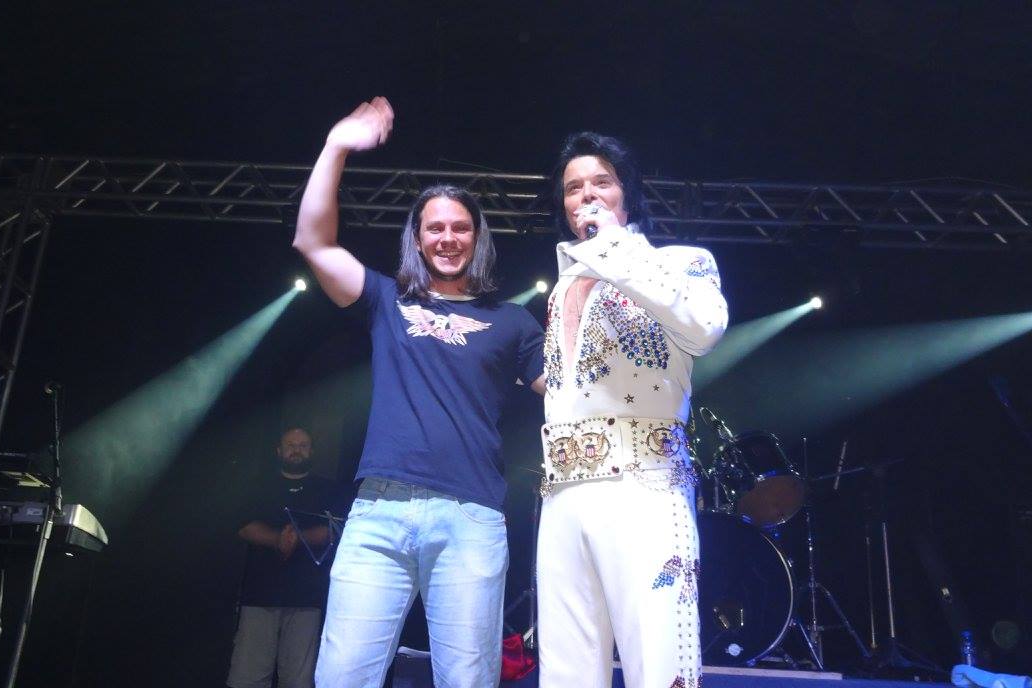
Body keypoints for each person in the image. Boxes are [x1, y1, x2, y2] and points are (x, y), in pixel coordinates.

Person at [292, 98, 545, 688]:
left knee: (467, 679)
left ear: (477, 238)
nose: (448, 238)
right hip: (378, 513)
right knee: (341, 677)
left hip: (470, 518)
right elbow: (313, 242)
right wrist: (336, 145)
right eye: (436, 227)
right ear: (418, 237)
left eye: (460, 227)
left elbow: (567, 394)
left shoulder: (512, 322)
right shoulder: (387, 300)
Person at [534, 133, 728, 688]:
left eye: (602, 182)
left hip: (644, 485)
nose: (587, 196)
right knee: (566, 671)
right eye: (574, 188)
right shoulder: (562, 286)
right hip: (563, 494)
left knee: (659, 662)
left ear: (628, 193)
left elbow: (706, 327)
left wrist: (615, 246)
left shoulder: (681, 262)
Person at [227, 427, 347, 688]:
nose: (296, 450)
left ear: (311, 451)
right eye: (291, 445)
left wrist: (297, 538)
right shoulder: (258, 485)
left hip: (307, 597)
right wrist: (277, 539)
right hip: (259, 594)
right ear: (279, 450)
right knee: (248, 677)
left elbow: (335, 530)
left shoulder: (329, 489)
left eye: (303, 445)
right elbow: (243, 526)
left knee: (298, 680)